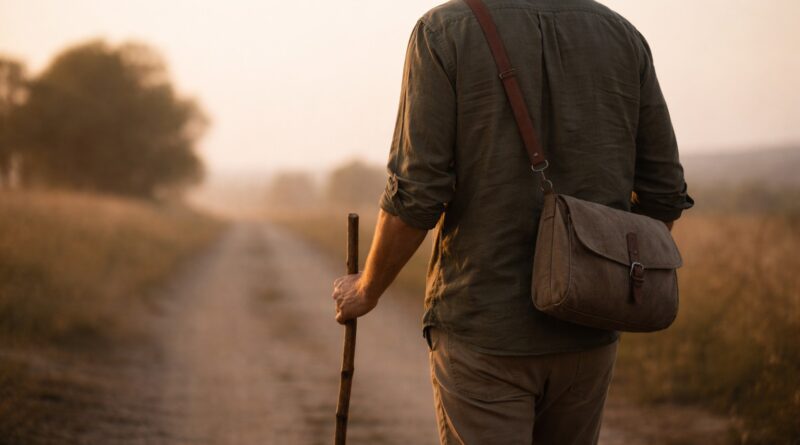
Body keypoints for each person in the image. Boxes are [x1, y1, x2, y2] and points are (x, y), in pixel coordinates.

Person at [331, 0, 693, 443]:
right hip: (589, 331)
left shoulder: (443, 32)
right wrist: (606, 274)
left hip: (485, 328)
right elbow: (664, 192)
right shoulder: (622, 36)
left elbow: (417, 194)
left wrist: (366, 289)